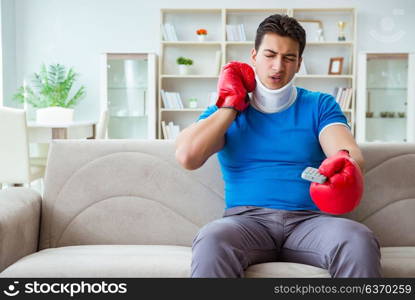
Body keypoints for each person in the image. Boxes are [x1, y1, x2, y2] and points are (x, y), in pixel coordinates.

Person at [175, 14, 381, 278]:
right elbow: (187, 157)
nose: (278, 66)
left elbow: (348, 152)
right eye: (270, 55)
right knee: (212, 238)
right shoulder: (225, 109)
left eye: (289, 58)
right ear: (254, 56)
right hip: (246, 223)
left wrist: (344, 162)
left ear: (299, 64)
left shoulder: (319, 105)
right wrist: (230, 106)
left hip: (311, 222)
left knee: (358, 238)